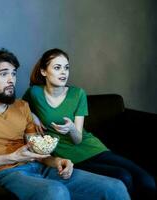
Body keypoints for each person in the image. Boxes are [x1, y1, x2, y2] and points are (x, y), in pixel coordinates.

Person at [0, 48, 130, 200]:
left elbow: (38, 152)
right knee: (56, 192)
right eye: (4, 74)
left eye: (13, 73)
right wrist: (12, 157)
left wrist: (58, 161)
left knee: (114, 187)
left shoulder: (22, 106)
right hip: (2, 172)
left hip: (39, 167)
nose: (11, 79)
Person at [23, 48, 156, 200]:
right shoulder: (34, 93)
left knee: (146, 179)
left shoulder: (78, 94)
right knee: (123, 176)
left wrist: (72, 128)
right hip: (69, 158)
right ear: (44, 71)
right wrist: (33, 116)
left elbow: (78, 139)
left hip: (92, 147)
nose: (63, 72)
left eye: (66, 67)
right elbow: (19, 107)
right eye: (57, 67)